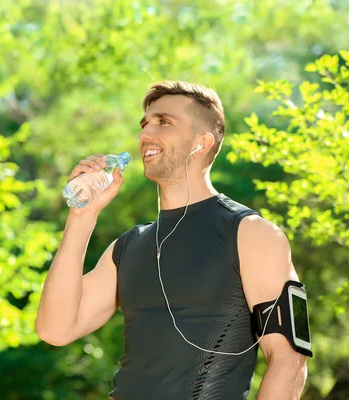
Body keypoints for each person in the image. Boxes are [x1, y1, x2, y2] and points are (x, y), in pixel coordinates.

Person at [35, 81, 308, 399]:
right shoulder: (127, 247)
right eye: (144, 124)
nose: (144, 135)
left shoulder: (254, 234)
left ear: (201, 142)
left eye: (163, 122)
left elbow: (290, 361)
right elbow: (54, 329)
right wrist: (81, 217)